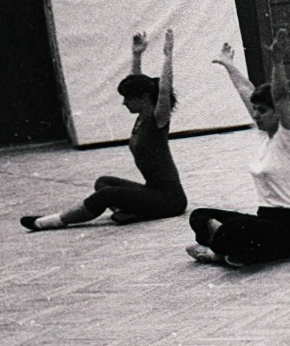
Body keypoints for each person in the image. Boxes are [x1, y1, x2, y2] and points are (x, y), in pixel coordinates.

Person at [21, 30, 187, 230]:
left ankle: (47, 222)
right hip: (153, 191)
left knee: (106, 195)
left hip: (170, 200)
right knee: (104, 182)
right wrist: (137, 55)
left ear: (143, 98)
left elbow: (164, 90)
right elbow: (137, 84)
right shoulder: (142, 116)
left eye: (128, 98)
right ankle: (132, 211)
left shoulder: (158, 120)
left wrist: (168, 55)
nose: (124, 103)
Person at [185, 32, 290, 267]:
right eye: (255, 110)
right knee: (199, 216)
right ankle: (232, 249)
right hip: (265, 222)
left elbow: (282, 96)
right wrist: (229, 65)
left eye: (262, 111)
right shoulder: (265, 136)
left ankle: (220, 250)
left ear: (277, 112)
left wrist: (278, 62)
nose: (255, 115)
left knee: (234, 229)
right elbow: (246, 90)